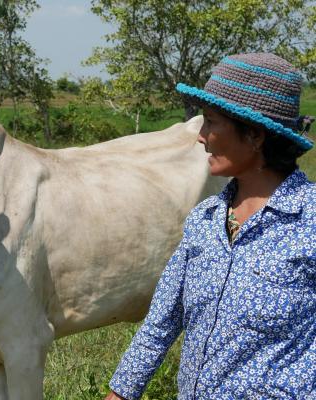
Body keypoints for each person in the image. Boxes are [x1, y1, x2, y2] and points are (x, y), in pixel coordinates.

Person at [104, 53, 315, 400]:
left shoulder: (309, 221)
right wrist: (119, 394)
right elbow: (161, 322)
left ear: (255, 135)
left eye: (212, 123)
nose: (201, 136)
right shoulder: (205, 220)